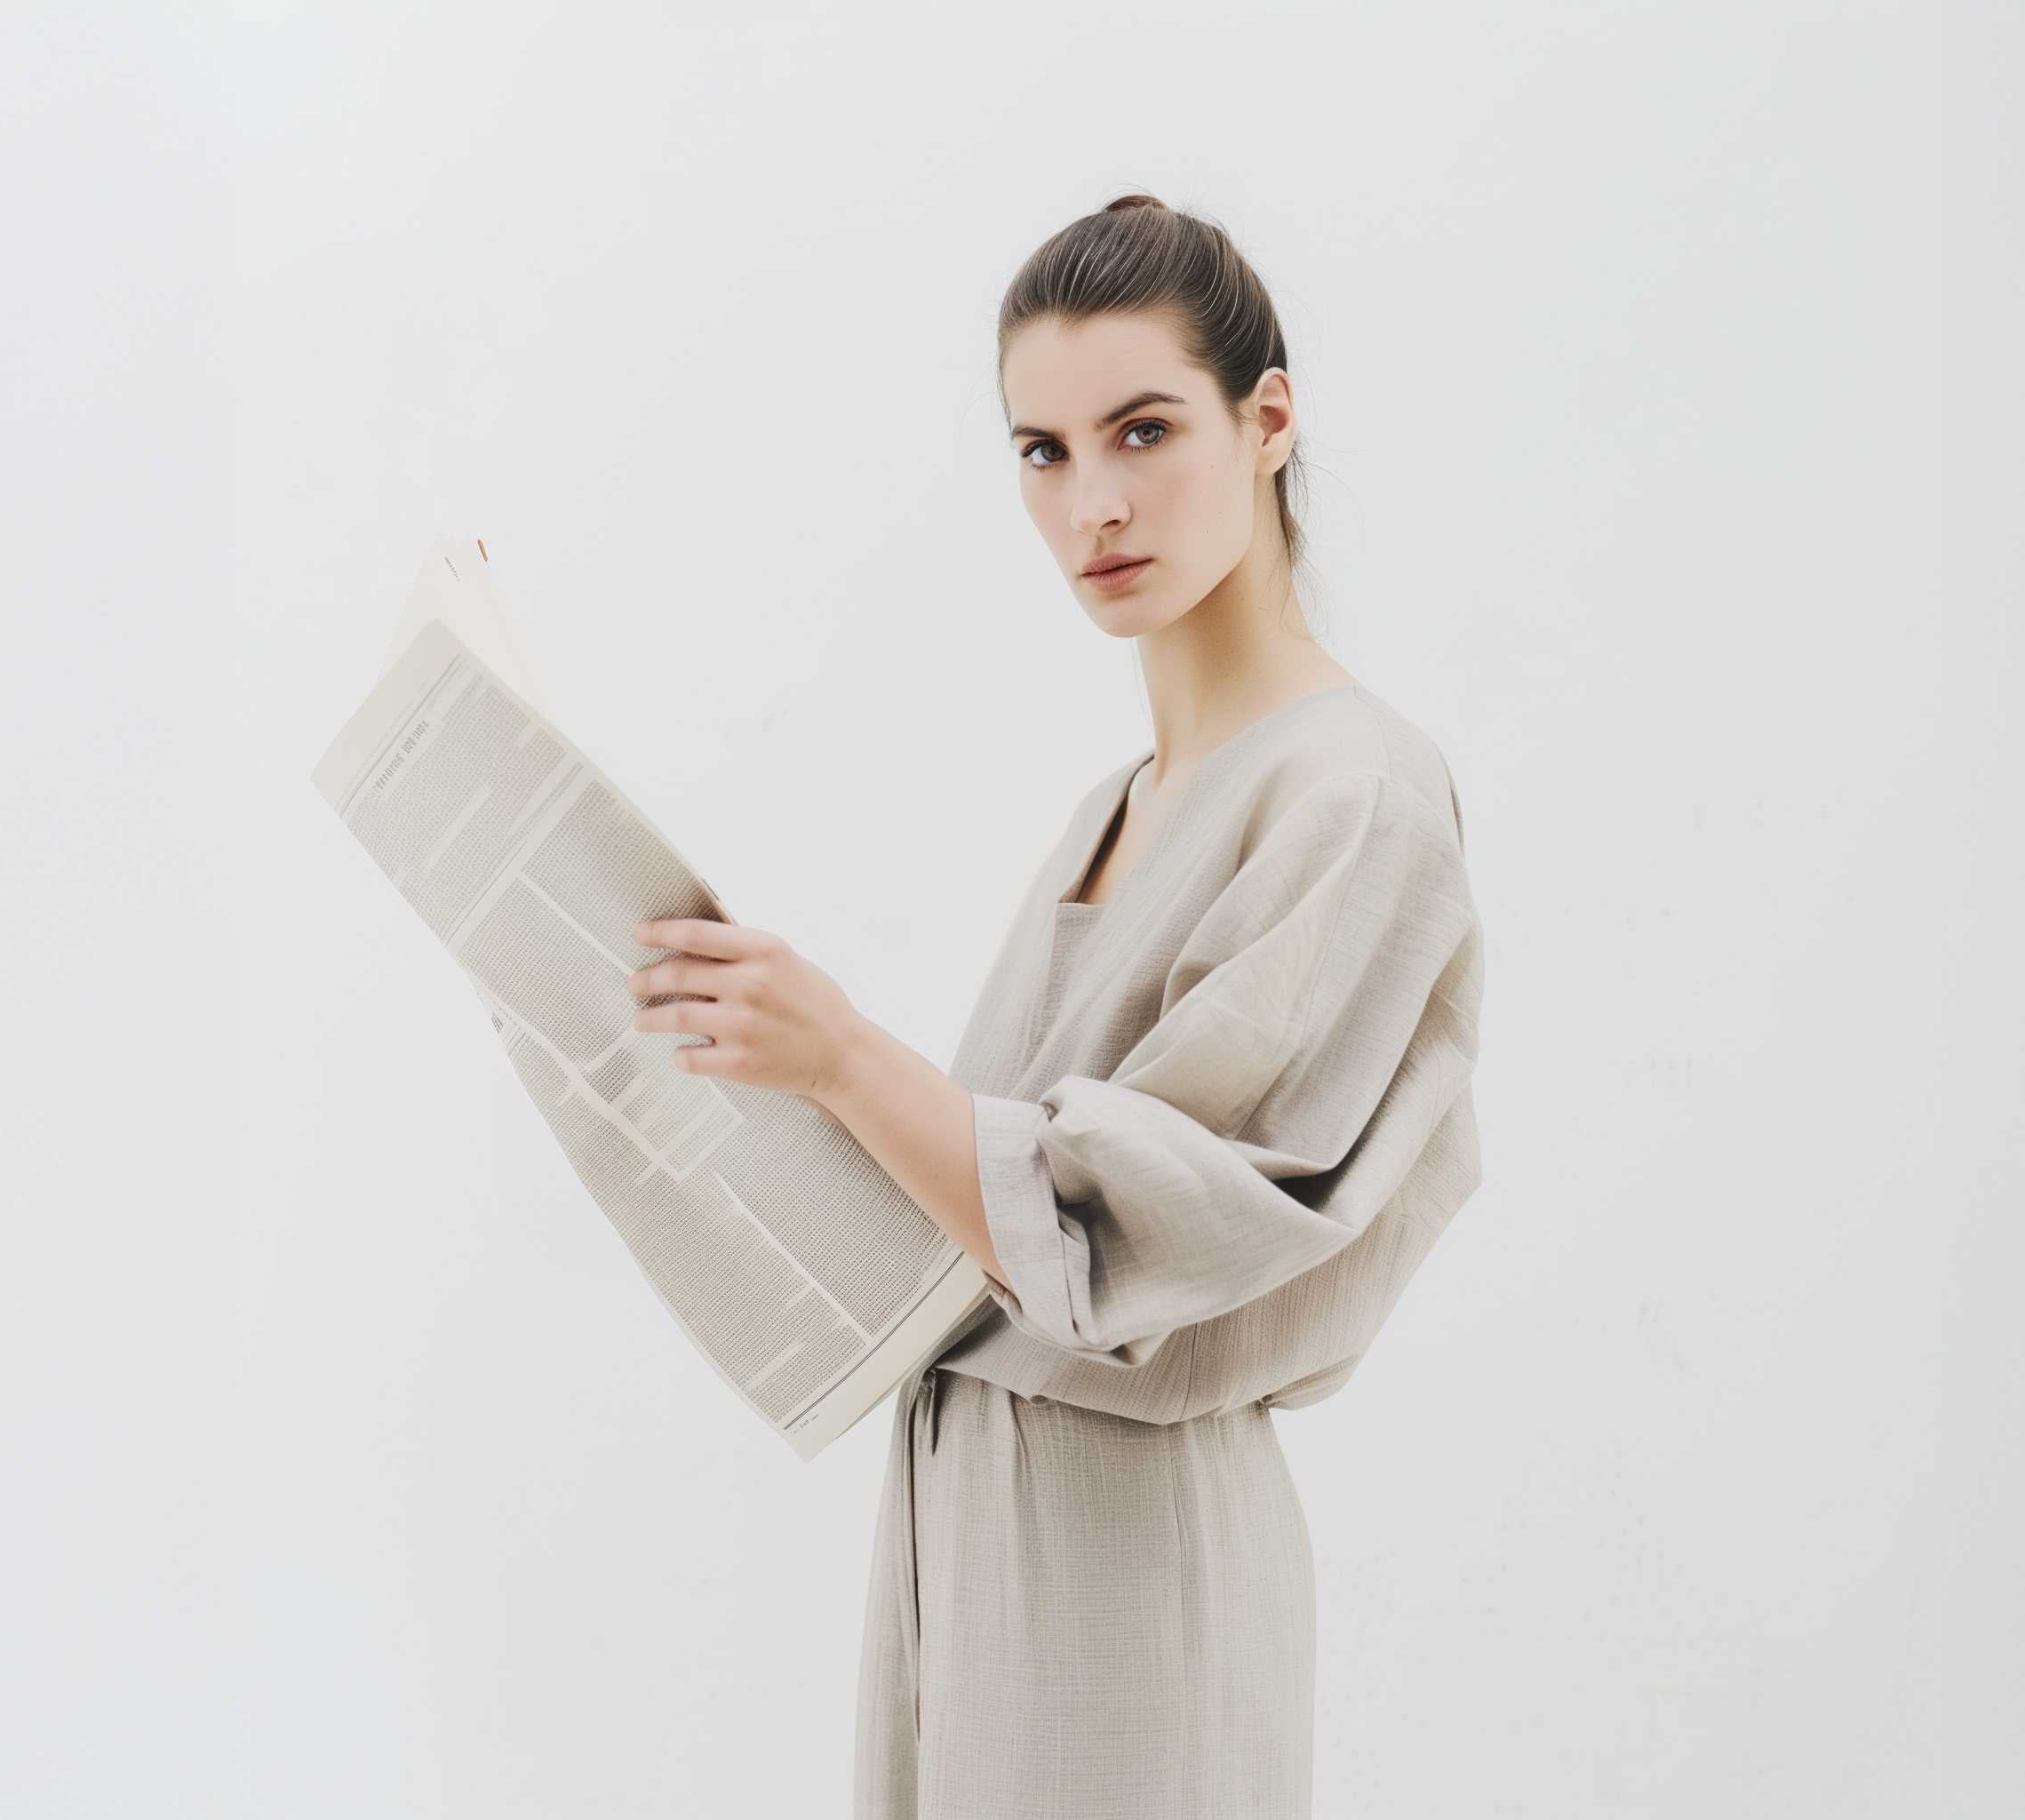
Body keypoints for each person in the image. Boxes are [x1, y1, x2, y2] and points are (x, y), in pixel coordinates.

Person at [620, 192, 1487, 1819]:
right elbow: (979, 1216)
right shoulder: (1121, 802)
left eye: (1142, 431)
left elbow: (1129, 1239)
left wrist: (842, 1053)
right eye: (1043, 451)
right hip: (960, 1521)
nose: (1093, 503)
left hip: (1129, 1546)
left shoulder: (1351, 792)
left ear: (1267, 421)